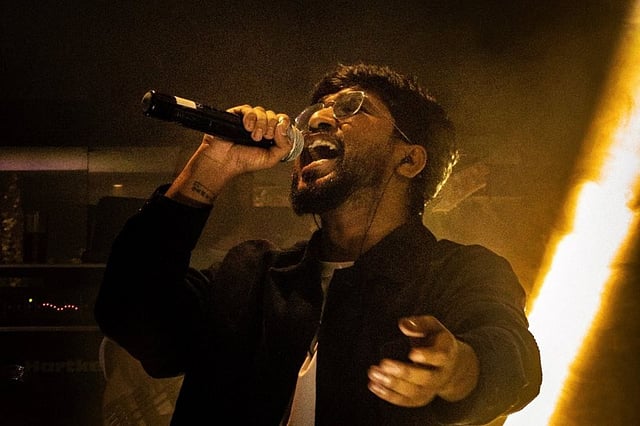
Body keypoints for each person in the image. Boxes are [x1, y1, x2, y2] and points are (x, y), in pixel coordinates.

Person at [94, 63, 542, 425]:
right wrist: (210, 166)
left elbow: (513, 361)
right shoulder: (251, 274)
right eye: (315, 112)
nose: (317, 120)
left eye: (352, 107)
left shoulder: (459, 273)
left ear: (409, 158)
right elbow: (128, 311)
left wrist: (458, 368)